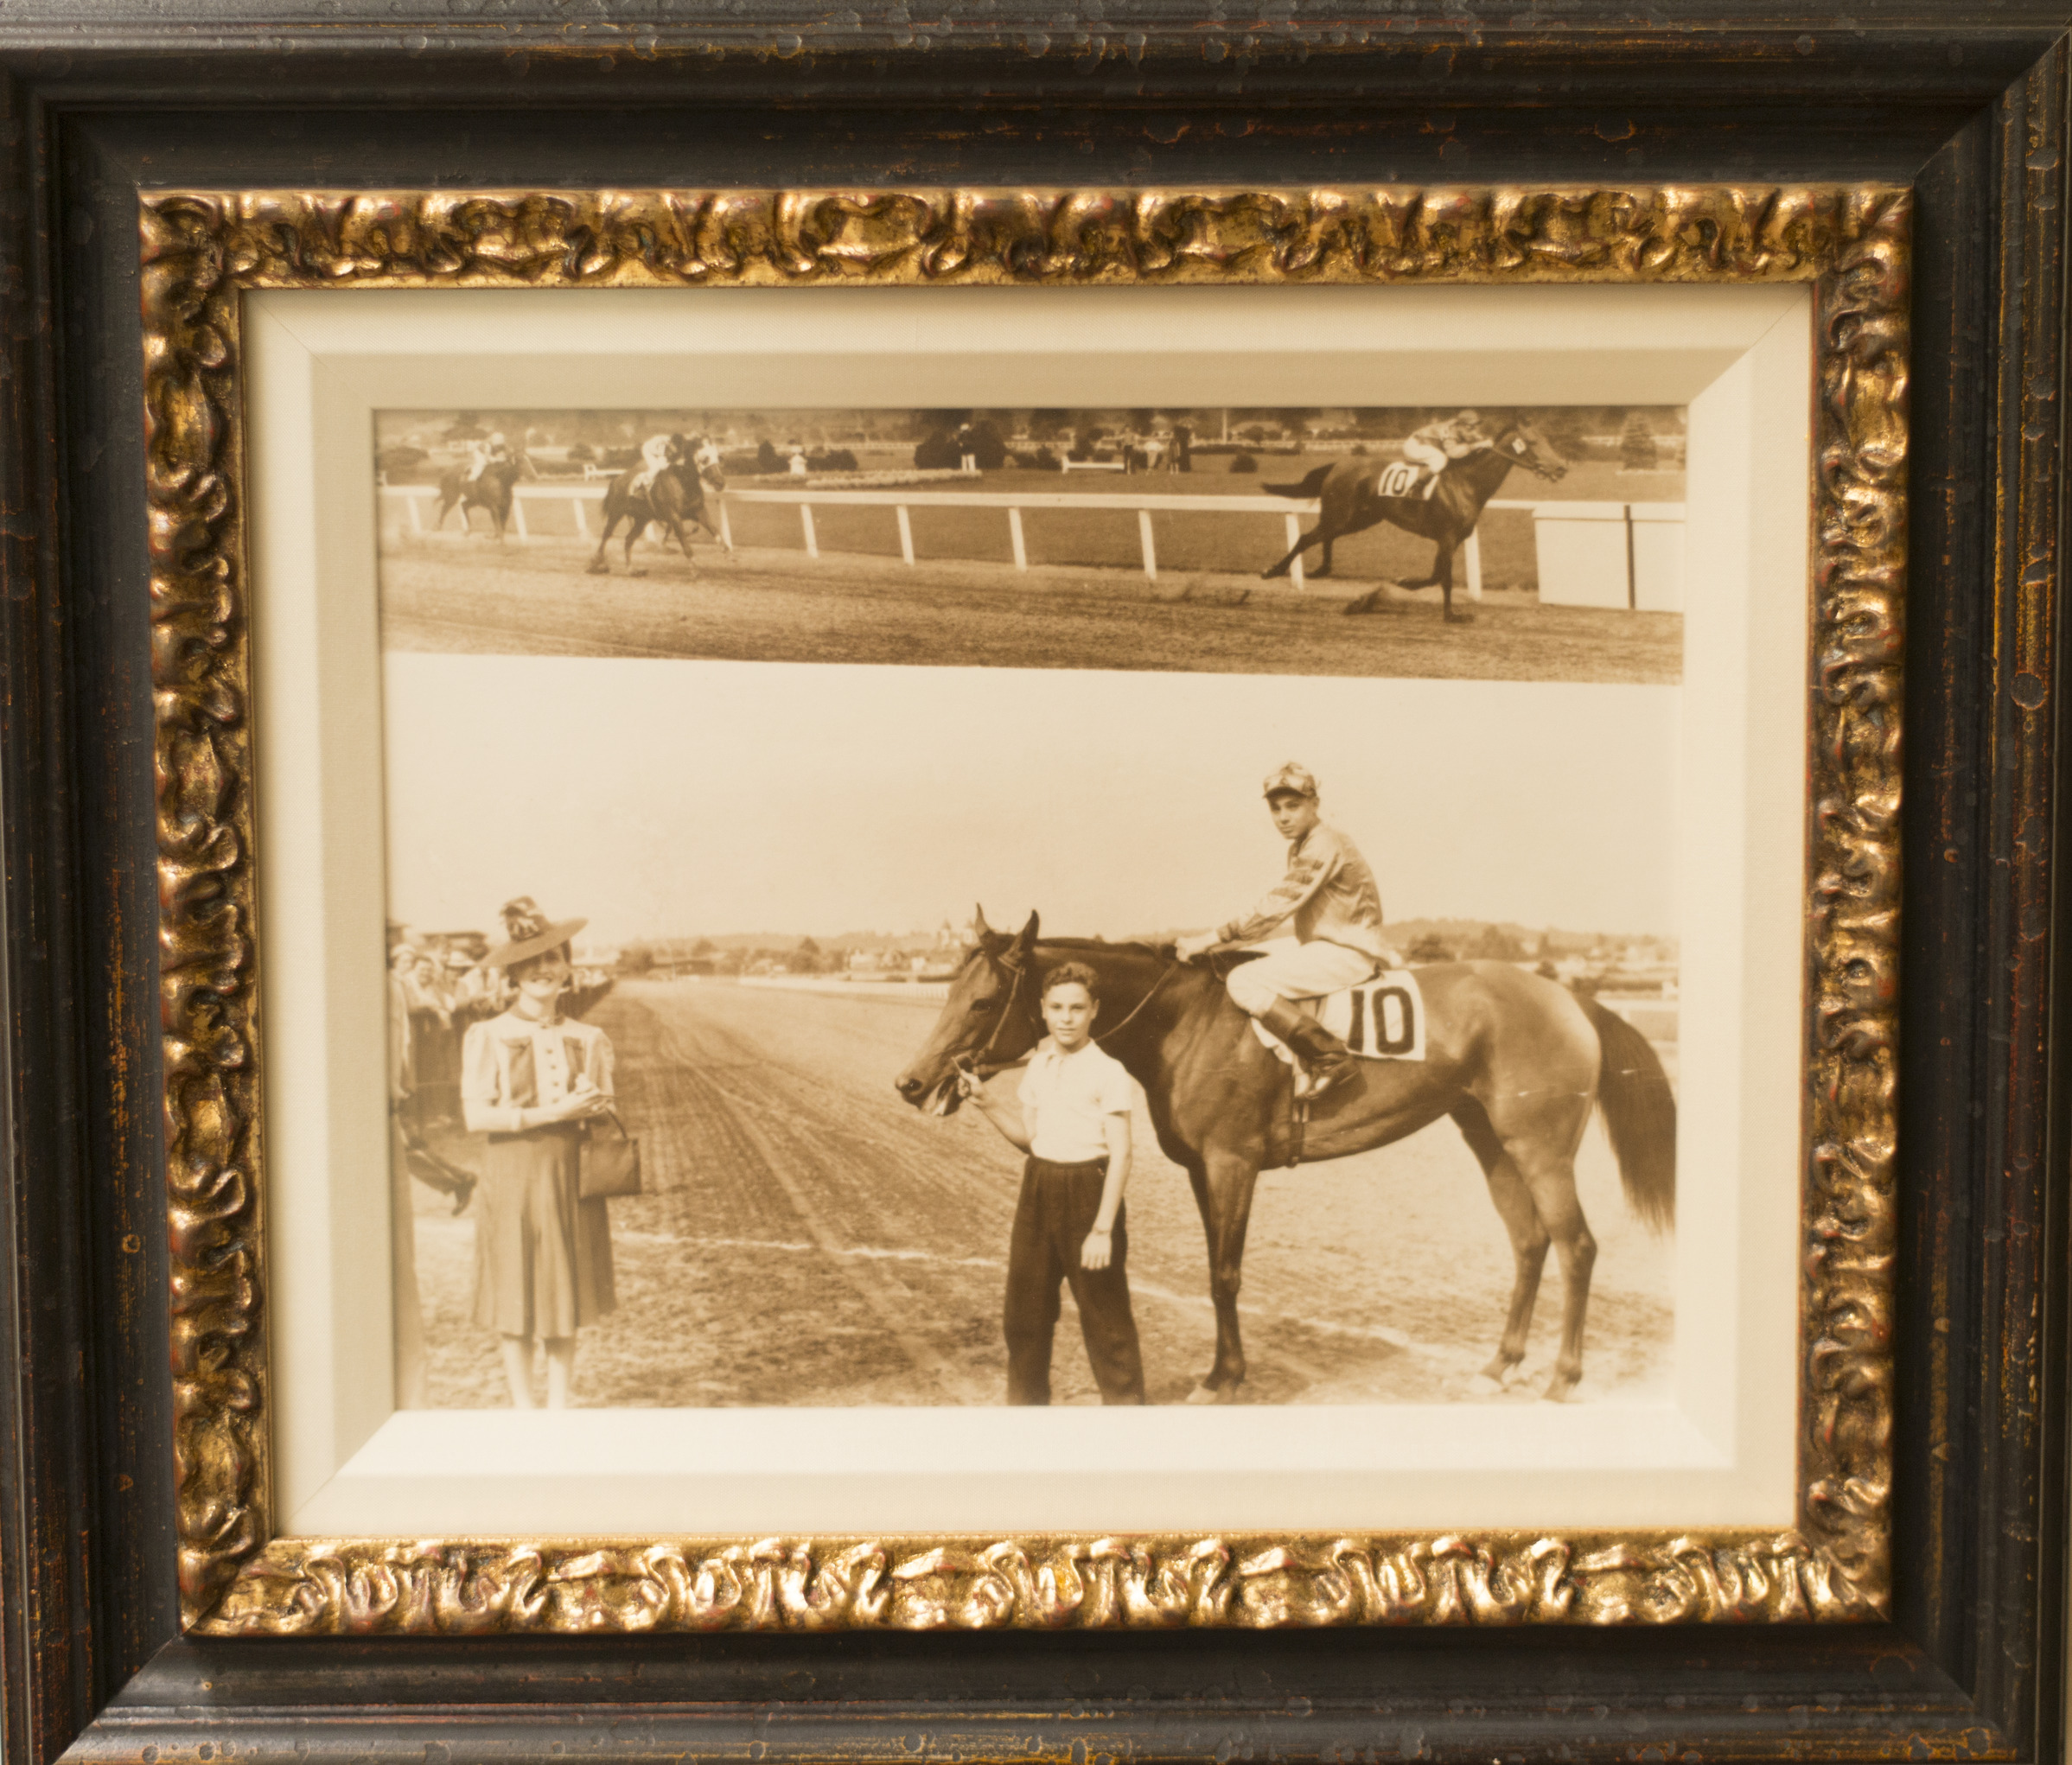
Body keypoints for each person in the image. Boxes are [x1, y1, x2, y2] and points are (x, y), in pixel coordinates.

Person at [955, 962, 1145, 1405]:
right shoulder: (1039, 1066)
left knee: (1106, 1320)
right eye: (1057, 1007)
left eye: (1077, 1008)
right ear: (1042, 1010)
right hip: (1039, 1187)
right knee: (1024, 1316)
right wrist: (986, 1104)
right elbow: (1031, 1139)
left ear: (1094, 1010)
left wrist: (1102, 1228)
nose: (1066, 1017)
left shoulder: (1109, 1071)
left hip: (1089, 1191)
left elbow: (1122, 1152)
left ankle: (1131, 1421)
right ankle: (1027, 1417)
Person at [461, 896, 617, 1409]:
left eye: (554, 959)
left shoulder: (589, 1037)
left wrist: (593, 1105)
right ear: (513, 976)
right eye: (532, 964)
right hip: (514, 1172)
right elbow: (476, 1117)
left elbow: (605, 1105)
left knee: (562, 1286)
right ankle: (524, 1408)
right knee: (516, 1285)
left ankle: (558, 1405)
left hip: (568, 1169)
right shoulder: (488, 1035)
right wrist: (551, 1113)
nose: (545, 971)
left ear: (568, 968)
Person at [1174, 764, 1385, 1099]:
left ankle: (1329, 1057)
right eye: (1276, 808)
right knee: (1244, 959)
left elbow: (1276, 907)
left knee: (1242, 980)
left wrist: (1208, 939)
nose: (1283, 817)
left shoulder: (1324, 843)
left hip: (1347, 952)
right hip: (1324, 945)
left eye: (1293, 806)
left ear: (1314, 804)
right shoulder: (1301, 846)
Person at [1400, 409, 1489, 487]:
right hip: (1415, 445)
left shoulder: (1458, 427)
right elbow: (1452, 453)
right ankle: (1417, 486)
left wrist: (1479, 440)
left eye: (1474, 427)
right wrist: (1477, 445)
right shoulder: (1449, 432)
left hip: (1425, 444)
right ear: (1460, 425)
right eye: (1470, 428)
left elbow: (1471, 437)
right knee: (1441, 459)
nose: (1472, 431)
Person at [628, 430, 678, 497]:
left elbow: (666, 456)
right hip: (647, 449)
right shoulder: (663, 441)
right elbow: (657, 452)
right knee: (655, 466)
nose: (673, 449)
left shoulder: (668, 442)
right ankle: (642, 484)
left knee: (662, 465)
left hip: (654, 450)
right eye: (673, 447)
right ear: (672, 442)